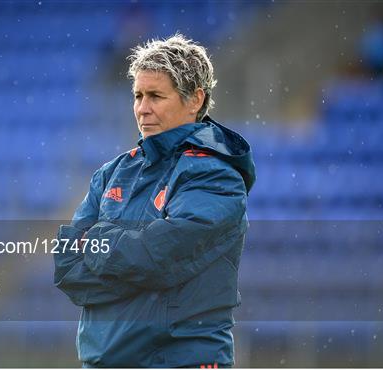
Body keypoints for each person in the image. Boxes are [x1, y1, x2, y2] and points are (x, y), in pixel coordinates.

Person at [54, 34, 256, 368]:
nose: (142, 108)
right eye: (138, 95)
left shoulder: (216, 176)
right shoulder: (111, 174)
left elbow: (158, 255)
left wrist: (100, 244)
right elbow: (66, 268)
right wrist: (138, 271)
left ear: (195, 100)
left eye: (155, 96)